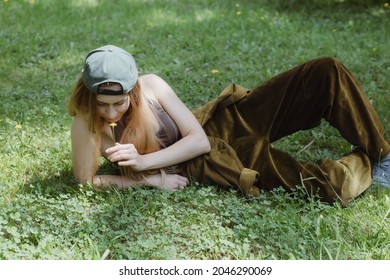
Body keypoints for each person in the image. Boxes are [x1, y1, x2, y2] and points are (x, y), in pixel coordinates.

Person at [68, 45, 390, 206]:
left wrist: (143, 162)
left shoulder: (151, 85)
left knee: (325, 72)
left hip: (218, 124)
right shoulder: (85, 121)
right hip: (211, 164)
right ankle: (366, 166)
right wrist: (152, 180)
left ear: (133, 87)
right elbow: (86, 181)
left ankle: (383, 155)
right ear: (90, 93)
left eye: (119, 102)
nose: (111, 112)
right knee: (332, 186)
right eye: (103, 103)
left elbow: (198, 137)